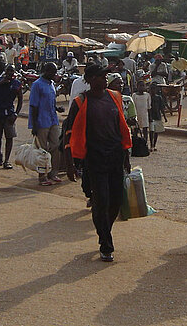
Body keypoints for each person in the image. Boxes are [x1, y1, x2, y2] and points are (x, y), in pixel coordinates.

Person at [64, 64, 132, 262]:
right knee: (101, 200)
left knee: (116, 201)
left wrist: (126, 155)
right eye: (101, 76)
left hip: (115, 157)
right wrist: (70, 164)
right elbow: (67, 134)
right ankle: (106, 243)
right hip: (94, 159)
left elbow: (121, 126)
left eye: (105, 76)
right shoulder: (80, 102)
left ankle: (104, 229)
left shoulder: (114, 97)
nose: (105, 79)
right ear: (91, 79)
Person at [29, 62, 64, 185]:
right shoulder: (37, 85)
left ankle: (53, 173)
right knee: (42, 150)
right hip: (41, 121)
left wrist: (57, 108)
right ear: (46, 71)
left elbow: (51, 101)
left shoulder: (52, 84)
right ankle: (42, 176)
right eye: (52, 72)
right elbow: (33, 106)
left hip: (53, 119)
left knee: (55, 146)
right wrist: (34, 125)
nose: (54, 75)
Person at [0, 65, 23, 169]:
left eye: (12, 71)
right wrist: (1, 83)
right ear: (5, 71)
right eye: (8, 71)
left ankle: (6, 160)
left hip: (9, 115)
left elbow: (20, 99)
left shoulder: (17, 84)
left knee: (9, 137)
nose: (10, 73)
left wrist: (16, 113)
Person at [149, 82, 167, 151]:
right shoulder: (148, 97)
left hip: (157, 116)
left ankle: (154, 145)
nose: (152, 91)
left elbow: (161, 108)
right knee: (151, 131)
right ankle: (151, 145)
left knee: (156, 132)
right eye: (151, 89)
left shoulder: (159, 98)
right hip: (151, 116)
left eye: (154, 89)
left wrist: (165, 117)